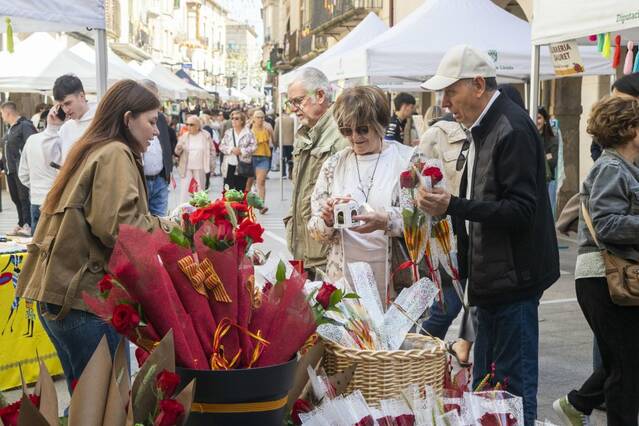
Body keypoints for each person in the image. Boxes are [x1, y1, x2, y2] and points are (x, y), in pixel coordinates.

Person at [416, 44, 559, 425]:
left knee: (512, 389)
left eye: (451, 91)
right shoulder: (485, 126)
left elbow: (521, 210)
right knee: (488, 388)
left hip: (513, 280)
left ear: (478, 84)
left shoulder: (509, 127)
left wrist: (454, 207)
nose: (445, 102)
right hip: (492, 281)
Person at [16, 79, 170, 393]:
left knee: (86, 403)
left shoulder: (96, 146)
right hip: (83, 300)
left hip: (61, 296)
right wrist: (170, 228)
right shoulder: (114, 152)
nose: (157, 132)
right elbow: (118, 226)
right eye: (152, 122)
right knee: (104, 405)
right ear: (128, 119)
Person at [552, 95, 639, 426]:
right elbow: (607, 224)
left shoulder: (627, 168)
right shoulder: (610, 167)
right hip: (603, 277)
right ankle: (580, 407)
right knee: (625, 366)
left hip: (614, 275)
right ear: (630, 129)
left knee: (626, 359)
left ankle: (577, 405)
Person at [308, 86, 412, 300]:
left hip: (394, 283)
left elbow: (424, 222)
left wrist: (387, 221)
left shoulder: (406, 162)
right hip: (344, 284)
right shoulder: (333, 165)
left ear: (379, 124)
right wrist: (327, 220)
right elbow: (315, 231)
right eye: (347, 130)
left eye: (362, 129)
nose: (354, 137)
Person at [284, 67, 349, 279]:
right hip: (303, 248)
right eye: (291, 102)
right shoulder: (305, 134)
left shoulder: (341, 135)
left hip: (326, 255)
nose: (293, 108)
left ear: (320, 95)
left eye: (298, 101)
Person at [415, 105, 467, 342]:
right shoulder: (437, 135)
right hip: (446, 234)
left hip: (476, 231)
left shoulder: (487, 132)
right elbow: (417, 182)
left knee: (466, 305)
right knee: (448, 304)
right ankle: (420, 349)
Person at [42, 74, 97, 166]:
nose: (65, 110)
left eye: (68, 103)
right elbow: (51, 160)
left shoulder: (102, 119)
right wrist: (51, 128)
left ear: (82, 96)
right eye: (61, 105)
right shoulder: (66, 128)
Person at [18, 108, 57, 234]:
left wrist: (35, 185)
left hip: (36, 199)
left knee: (37, 245)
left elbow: (22, 174)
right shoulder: (62, 140)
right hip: (58, 201)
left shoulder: (31, 140)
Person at [141, 80, 176, 216]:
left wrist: (168, 172)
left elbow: (166, 144)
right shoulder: (133, 117)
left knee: (161, 222)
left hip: (160, 179)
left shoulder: (160, 117)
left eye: (156, 97)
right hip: (142, 180)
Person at [1, 102, 36, 236]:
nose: (2, 116)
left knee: (23, 197)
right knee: (16, 198)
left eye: (1, 113)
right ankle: (21, 222)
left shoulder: (24, 126)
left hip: (21, 169)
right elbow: (7, 149)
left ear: (7, 112)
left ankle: (28, 224)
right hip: (10, 169)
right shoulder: (10, 128)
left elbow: (31, 144)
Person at [175, 115, 215, 201]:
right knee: (184, 191)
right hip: (186, 167)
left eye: (191, 124)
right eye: (187, 124)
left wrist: (212, 166)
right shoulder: (184, 136)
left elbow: (212, 151)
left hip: (201, 167)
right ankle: (183, 211)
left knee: (201, 191)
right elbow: (176, 152)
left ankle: (201, 211)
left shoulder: (205, 135)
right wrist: (179, 147)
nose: (188, 126)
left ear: (197, 126)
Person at [219, 110, 256, 192]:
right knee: (227, 191)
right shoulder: (228, 132)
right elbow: (221, 146)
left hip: (242, 165)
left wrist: (242, 151)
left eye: (236, 118)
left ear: (242, 120)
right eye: (232, 118)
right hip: (229, 164)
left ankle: (238, 205)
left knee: (240, 190)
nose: (233, 120)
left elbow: (254, 146)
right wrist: (231, 149)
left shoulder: (248, 133)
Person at [250, 109, 273, 213]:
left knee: (261, 182)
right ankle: (245, 205)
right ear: (253, 118)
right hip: (251, 158)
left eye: (262, 117)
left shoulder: (267, 128)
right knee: (249, 183)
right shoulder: (249, 129)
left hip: (263, 157)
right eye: (258, 117)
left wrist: (271, 132)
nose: (260, 119)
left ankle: (261, 205)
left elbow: (274, 143)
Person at [537, 106, 559, 216]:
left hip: (546, 180)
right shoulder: (527, 135)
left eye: (539, 118)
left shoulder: (552, 139)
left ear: (545, 120)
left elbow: (553, 160)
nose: (536, 121)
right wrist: (545, 155)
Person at [274, 112, 296, 178]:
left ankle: (283, 173)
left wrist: (275, 142)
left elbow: (276, 131)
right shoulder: (292, 120)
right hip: (291, 142)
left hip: (282, 142)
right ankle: (290, 172)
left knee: (282, 159)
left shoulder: (279, 120)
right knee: (290, 159)